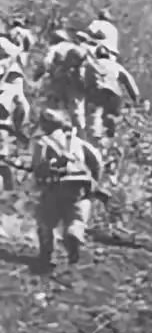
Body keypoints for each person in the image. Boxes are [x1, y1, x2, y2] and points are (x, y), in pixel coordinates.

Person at [31, 109, 103, 268]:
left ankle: (47, 254)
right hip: (78, 184)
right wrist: (95, 181)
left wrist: (40, 179)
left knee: (46, 220)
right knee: (75, 215)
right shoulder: (77, 142)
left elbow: (38, 166)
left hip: (55, 185)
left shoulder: (43, 142)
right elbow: (97, 160)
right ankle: (74, 233)